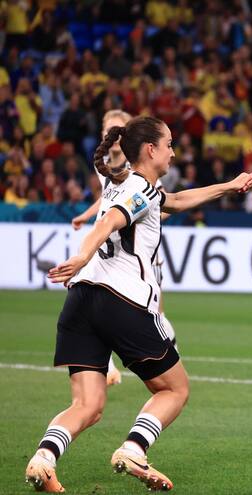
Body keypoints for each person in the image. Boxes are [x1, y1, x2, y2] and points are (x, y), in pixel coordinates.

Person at [25, 115, 252, 493]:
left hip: (81, 299)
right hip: (121, 300)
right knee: (174, 389)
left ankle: (44, 459)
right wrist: (83, 254)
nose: (173, 151)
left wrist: (229, 186)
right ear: (151, 150)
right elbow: (109, 223)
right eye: (169, 144)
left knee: (88, 404)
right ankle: (133, 449)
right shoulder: (140, 191)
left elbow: (178, 200)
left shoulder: (129, 186)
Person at [71, 110, 179, 388]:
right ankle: (107, 366)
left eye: (118, 128)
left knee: (156, 312)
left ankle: (168, 354)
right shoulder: (104, 164)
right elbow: (110, 201)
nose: (113, 133)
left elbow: (157, 205)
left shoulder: (145, 174)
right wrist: (87, 216)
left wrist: (139, 219)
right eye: (109, 128)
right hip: (109, 247)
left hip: (138, 251)